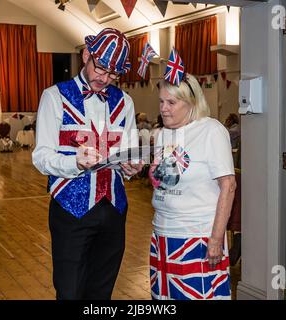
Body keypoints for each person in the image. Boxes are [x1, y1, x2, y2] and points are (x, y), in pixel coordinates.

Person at [32, 28, 143, 300]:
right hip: (70, 209)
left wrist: (131, 167)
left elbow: (128, 151)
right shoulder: (54, 97)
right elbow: (41, 157)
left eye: (113, 75)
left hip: (114, 210)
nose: (104, 79)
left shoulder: (125, 102)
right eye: (101, 69)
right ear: (86, 55)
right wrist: (75, 163)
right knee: (69, 292)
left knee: (101, 293)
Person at [149, 75, 236, 300]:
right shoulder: (162, 135)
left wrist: (216, 239)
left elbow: (228, 186)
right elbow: (163, 179)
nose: (163, 109)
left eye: (171, 103)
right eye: (161, 102)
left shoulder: (211, 131)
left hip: (196, 237)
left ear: (192, 102)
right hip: (162, 235)